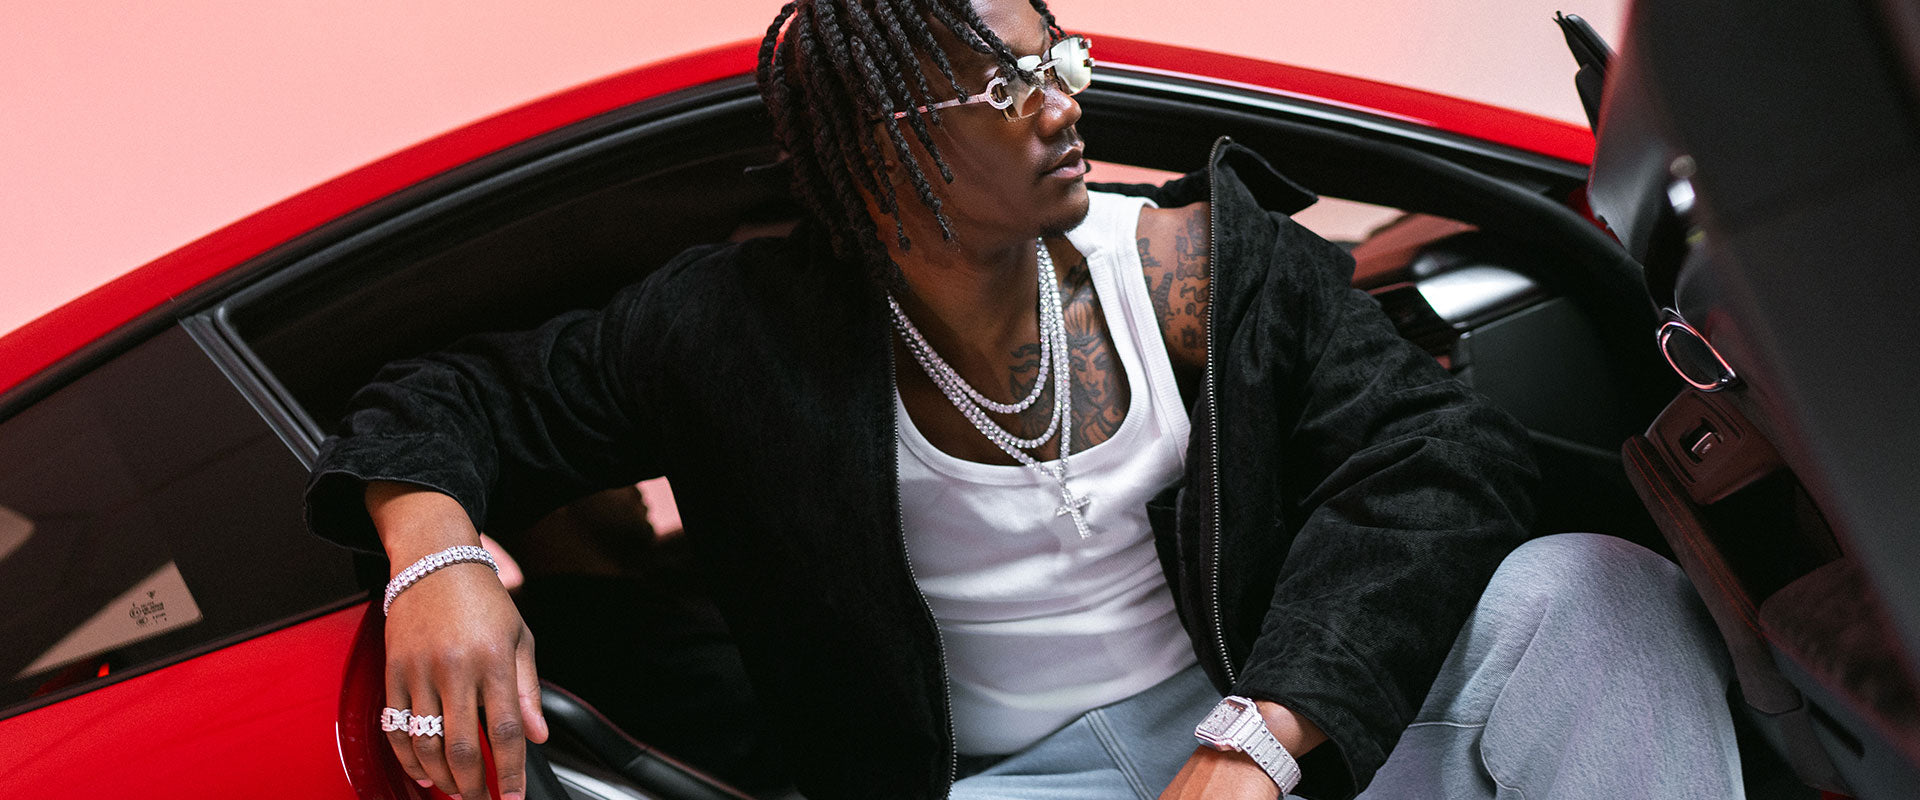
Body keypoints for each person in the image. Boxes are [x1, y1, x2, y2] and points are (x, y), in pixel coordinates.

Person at [304, 1, 1745, 799]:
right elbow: (452, 394)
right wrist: (433, 555)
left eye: (1059, 59)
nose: (1063, 103)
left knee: (1593, 593)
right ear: (882, 149)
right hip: (1013, 786)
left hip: (1266, 715)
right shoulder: (732, 332)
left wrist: (1266, 733)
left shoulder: (1192, 262)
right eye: (1005, 86)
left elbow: (1440, 457)